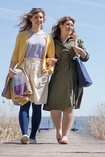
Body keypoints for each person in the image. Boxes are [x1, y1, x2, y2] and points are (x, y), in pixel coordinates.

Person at [8, 8, 57, 144]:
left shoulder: (48, 37)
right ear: (30, 19)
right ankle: (25, 134)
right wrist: (11, 69)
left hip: (41, 72)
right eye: (36, 17)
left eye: (41, 17)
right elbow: (15, 53)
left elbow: (51, 57)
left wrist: (49, 70)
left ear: (43, 19)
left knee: (37, 105)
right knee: (24, 102)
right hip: (24, 69)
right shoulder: (22, 35)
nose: (38, 19)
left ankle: (34, 135)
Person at [43, 16, 89, 144]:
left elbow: (86, 57)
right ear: (61, 26)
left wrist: (79, 51)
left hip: (72, 76)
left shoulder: (76, 40)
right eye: (68, 24)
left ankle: (65, 136)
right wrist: (49, 61)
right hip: (57, 76)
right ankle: (58, 130)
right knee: (55, 107)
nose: (70, 27)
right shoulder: (52, 41)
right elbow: (45, 57)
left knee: (69, 107)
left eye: (72, 25)